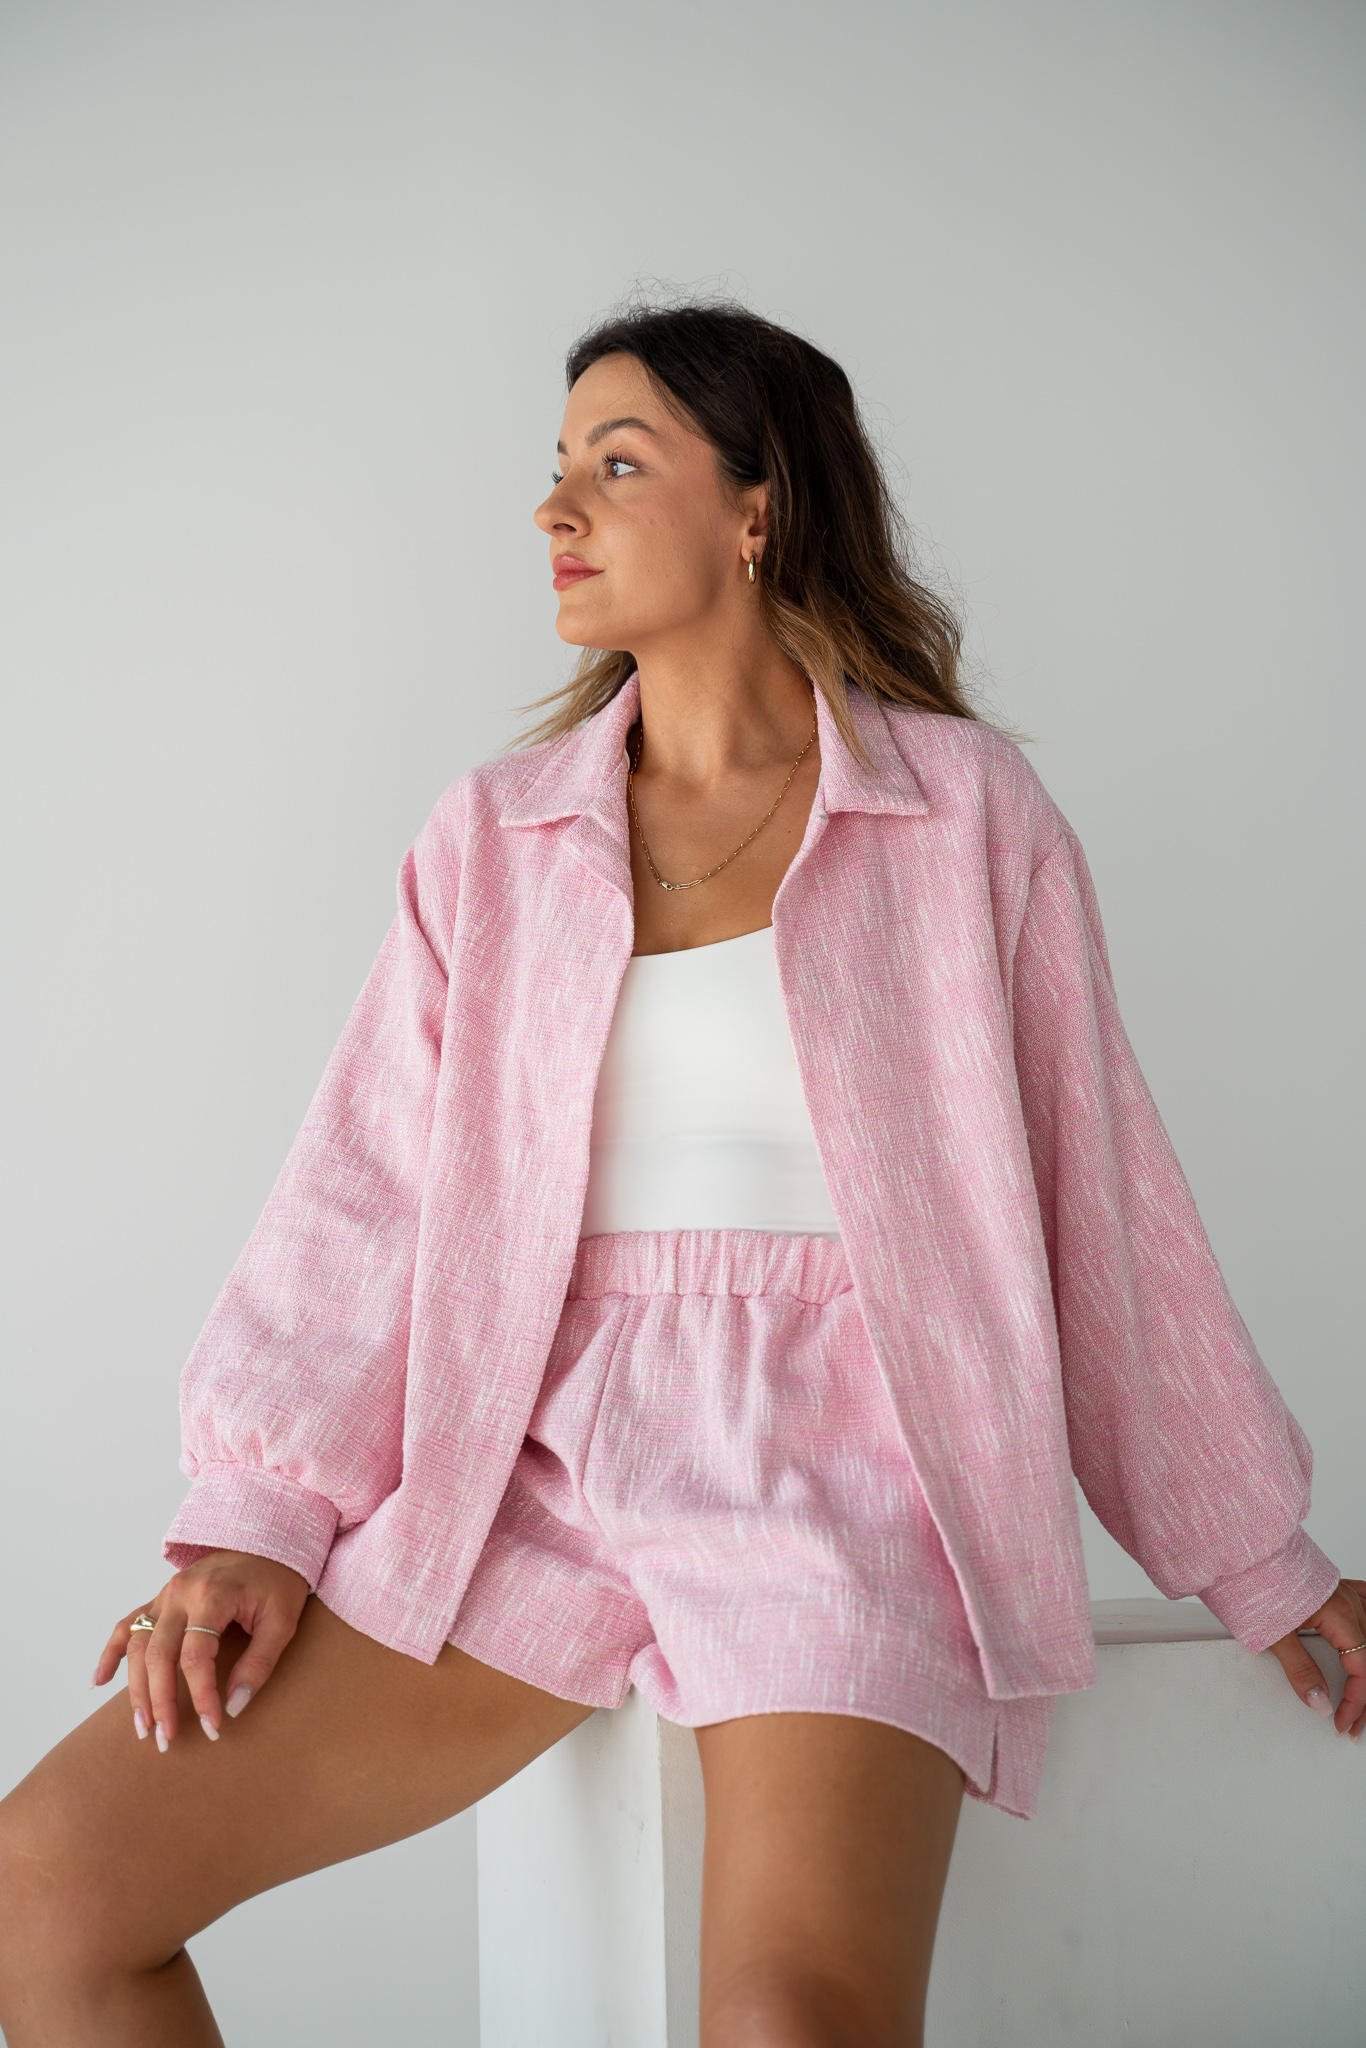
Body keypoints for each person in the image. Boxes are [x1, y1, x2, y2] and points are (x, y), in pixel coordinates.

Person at [1, 301, 1361, 2048]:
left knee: (792, 2019)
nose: (555, 508)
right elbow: (366, 1199)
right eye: (556, 467)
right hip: (537, 1461)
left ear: (757, 507)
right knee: (46, 1897)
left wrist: (1258, 1557)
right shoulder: (490, 840)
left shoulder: (962, 815)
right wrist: (259, 1519)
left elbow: (1100, 1211)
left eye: (618, 463)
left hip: (855, 1469)